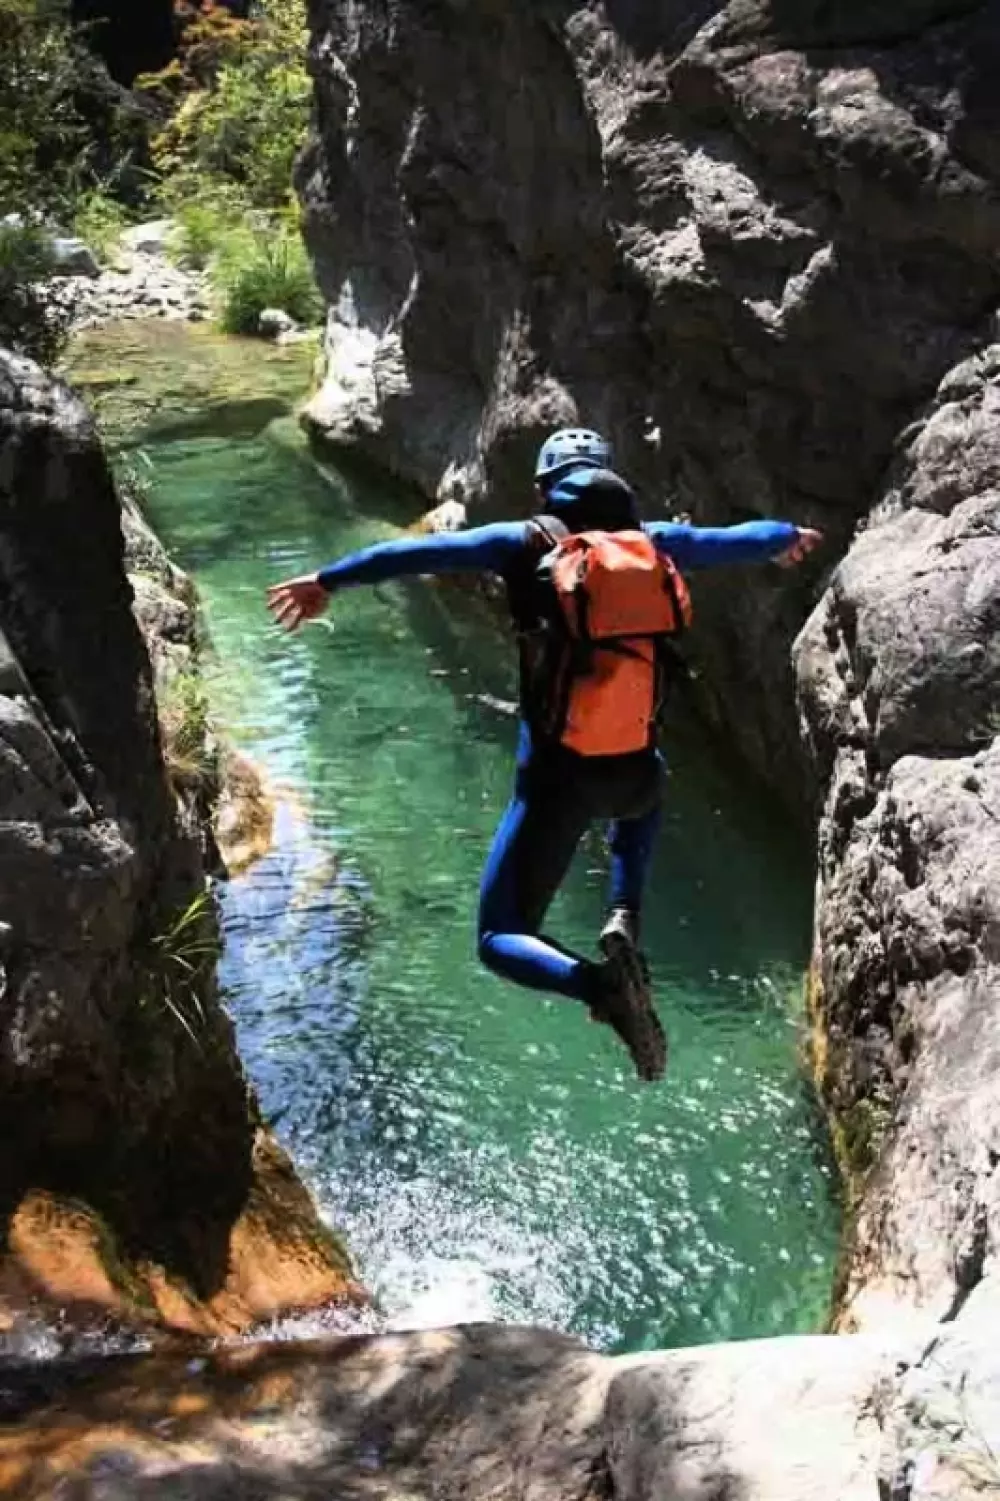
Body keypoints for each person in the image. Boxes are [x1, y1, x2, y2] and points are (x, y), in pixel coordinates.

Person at [267, 428, 822, 1083]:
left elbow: (410, 555)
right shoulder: (653, 544)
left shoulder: (520, 543)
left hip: (559, 783)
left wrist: (327, 580)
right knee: (649, 785)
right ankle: (625, 916)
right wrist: (788, 535)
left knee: (498, 936)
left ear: (542, 488)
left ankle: (598, 987)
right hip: (637, 776)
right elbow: (735, 540)